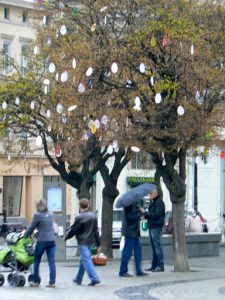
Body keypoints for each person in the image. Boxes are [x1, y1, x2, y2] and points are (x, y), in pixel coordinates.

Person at [64, 198, 101, 286]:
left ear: (80, 206)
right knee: (83, 260)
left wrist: (66, 237)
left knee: (86, 260)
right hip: (90, 241)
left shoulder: (79, 217)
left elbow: (73, 229)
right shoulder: (93, 216)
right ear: (88, 205)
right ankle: (78, 279)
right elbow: (96, 231)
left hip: (82, 241)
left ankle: (94, 278)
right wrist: (98, 243)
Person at [24, 199, 56, 288]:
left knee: (36, 260)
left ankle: (35, 280)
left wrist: (25, 236)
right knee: (51, 261)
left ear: (38, 207)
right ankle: (52, 282)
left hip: (42, 240)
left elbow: (31, 228)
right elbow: (48, 226)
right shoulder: (50, 215)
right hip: (52, 241)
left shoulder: (37, 216)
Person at [140, 188, 165, 272]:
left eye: (150, 194)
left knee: (157, 246)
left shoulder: (159, 203)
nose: (149, 196)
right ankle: (154, 265)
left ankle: (160, 265)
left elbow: (156, 215)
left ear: (155, 194)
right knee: (153, 247)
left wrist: (146, 213)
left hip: (156, 226)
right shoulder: (152, 203)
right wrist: (145, 214)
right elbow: (151, 215)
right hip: (151, 226)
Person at [119, 203, 146, 277]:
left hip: (134, 232)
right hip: (130, 232)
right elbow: (130, 217)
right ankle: (122, 271)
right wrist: (140, 214)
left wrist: (140, 210)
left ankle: (138, 270)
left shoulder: (135, 204)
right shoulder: (129, 205)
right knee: (127, 252)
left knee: (138, 251)